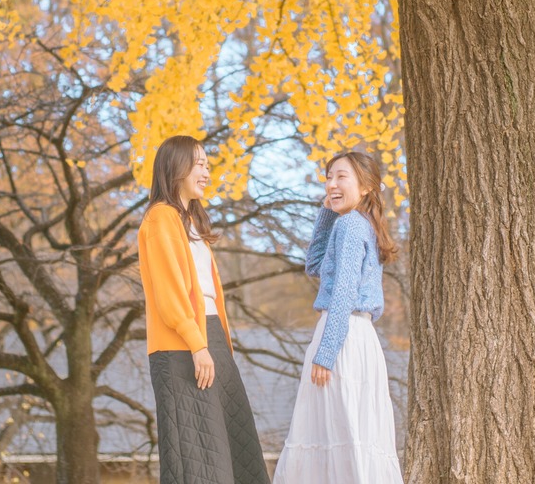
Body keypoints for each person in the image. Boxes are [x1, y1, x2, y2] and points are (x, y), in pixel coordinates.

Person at [137, 135, 270, 484]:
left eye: (207, 165)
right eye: (199, 164)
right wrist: (198, 345)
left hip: (208, 340)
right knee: (196, 457)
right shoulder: (161, 219)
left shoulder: (190, 221)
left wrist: (212, 345)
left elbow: (205, 295)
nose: (206, 172)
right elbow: (170, 294)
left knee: (232, 449)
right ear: (175, 167)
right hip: (182, 346)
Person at [273, 150, 404, 483]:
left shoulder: (350, 225)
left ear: (365, 187)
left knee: (333, 433)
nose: (331, 183)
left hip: (340, 335)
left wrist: (326, 352)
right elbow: (314, 264)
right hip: (359, 339)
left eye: (341, 177)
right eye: (328, 177)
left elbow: (343, 291)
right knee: (353, 434)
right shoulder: (358, 225)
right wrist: (327, 210)